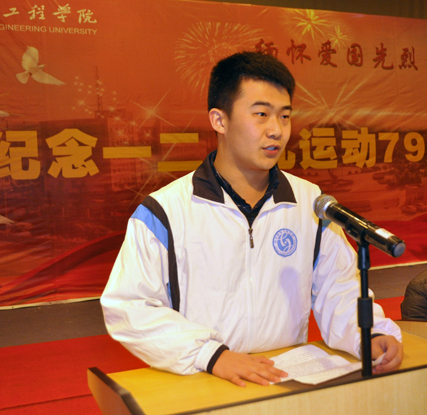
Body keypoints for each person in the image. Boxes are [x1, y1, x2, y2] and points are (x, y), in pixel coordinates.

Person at [101, 51, 403, 387]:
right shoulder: (166, 210)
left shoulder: (310, 203)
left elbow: (339, 289)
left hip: (283, 380)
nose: (276, 130)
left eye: (284, 116)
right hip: (204, 379)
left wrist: (369, 335)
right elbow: (129, 306)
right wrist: (212, 355)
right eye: (261, 114)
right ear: (219, 120)